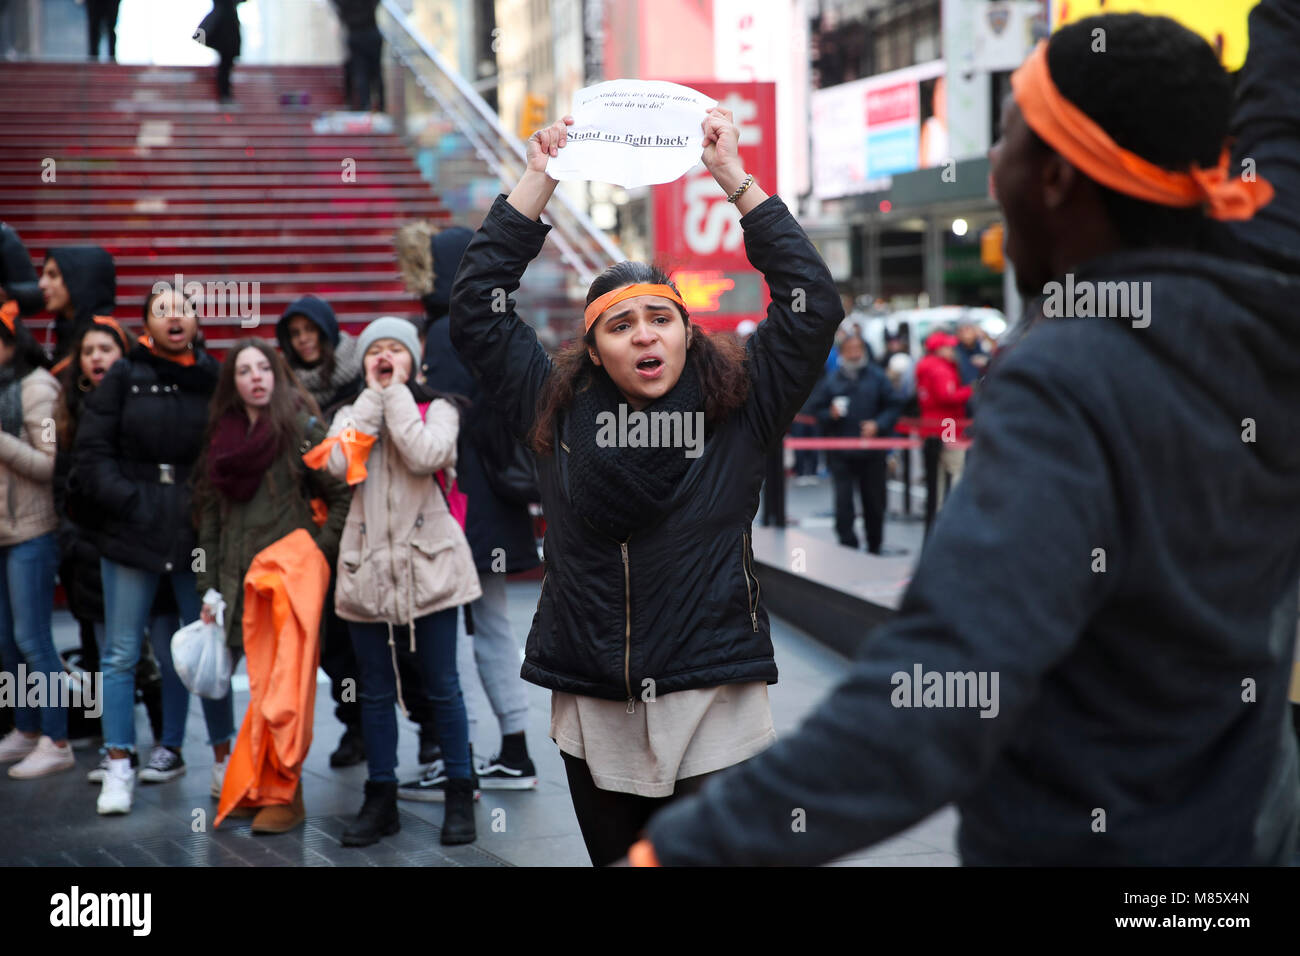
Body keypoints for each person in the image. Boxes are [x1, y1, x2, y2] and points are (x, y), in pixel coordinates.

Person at [627, 4, 1300, 867]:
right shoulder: (1270, 291)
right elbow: (1282, 109)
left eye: (1010, 135)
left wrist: (683, 854)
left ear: (1053, 178)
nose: (994, 170)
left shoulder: (1074, 380)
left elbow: (947, 684)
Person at [447, 108, 843, 866]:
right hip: (596, 699)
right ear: (592, 351)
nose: (644, 335)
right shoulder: (553, 410)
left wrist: (734, 178)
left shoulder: (742, 407)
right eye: (620, 325)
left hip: (714, 694)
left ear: (687, 333)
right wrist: (539, 179)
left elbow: (810, 304)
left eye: (660, 318)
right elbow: (477, 310)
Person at [308, 317, 482, 847]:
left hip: (430, 570)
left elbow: (425, 453)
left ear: (413, 360)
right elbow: (338, 464)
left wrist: (397, 397)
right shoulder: (348, 415)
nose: (384, 358)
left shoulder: (441, 409)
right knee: (375, 693)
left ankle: (460, 790)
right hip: (365, 575)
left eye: (395, 350)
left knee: (443, 687)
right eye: (374, 352)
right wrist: (370, 401)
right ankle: (379, 797)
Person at [394, 224, 543, 799]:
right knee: (492, 626)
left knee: (446, 630)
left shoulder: (443, 332)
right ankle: (512, 750)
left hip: (453, 502)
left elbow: (438, 423)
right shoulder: (489, 325)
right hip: (492, 502)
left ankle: (458, 758)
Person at [75, 286, 234, 815]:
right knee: (120, 653)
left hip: (196, 532)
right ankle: (118, 763)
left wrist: (207, 511)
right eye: (161, 310)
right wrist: (128, 501)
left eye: (183, 309)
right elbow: (92, 452)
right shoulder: (125, 376)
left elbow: (227, 451)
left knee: (205, 649)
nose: (174, 318)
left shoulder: (214, 378)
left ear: (196, 321)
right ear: (146, 323)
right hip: (132, 528)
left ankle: (222, 760)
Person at [274, 294, 437, 767]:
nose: (305, 341)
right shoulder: (288, 391)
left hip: (380, 519)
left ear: (329, 333)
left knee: (405, 645)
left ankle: (429, 730)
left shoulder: (365, 373)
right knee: (340, 646)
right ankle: (357, 729)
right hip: (325, 531)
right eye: (296, 334)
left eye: (312, 332)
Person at [194, 339, 350, 833]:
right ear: (233, 382)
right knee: (263, 691)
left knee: (287, 692)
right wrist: (209, 588)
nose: (256, 377)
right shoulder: (223, 437)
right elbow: (211, 519)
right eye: (245, 370)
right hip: (241, 587)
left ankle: (288, 791)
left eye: (264, 367)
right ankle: (256, 786)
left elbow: (342, 492)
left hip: (292, 583)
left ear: (277, 375)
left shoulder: (302, 428)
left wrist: (315, 553)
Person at [52, 317, 168, 774]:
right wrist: (74, 542)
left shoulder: (143, 404)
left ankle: (166, 742)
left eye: (106, 348)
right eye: (89, 351)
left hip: (138, 543)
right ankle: (117, 747)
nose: (97, 357)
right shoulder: (69, 414)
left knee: (149, 655)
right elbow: (62, 486)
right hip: (88, 552)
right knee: (107, 657)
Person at [0, 309, 70, 778]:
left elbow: (48, 464)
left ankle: (57, 738)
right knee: (7, 644)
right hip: (4, 534)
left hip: (32, 532)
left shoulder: (38, 387)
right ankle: (25, 730)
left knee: (33, 640)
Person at [809, 334, 902, 555]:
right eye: (849, 349)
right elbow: (816, 410)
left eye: (858, 348)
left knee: (874, 501)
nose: (854, 353)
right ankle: (847, 544)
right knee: (843, 502)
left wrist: (878, 425)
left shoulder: (877, 377)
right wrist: (829, 414)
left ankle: (875, 544)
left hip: (872, 451)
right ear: (842, 352)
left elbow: (893, 406)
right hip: (841, 452)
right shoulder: (832, 380)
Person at [914, 331, 971, 539]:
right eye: (948, 346)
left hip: (932, 429)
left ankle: (936, 528)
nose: (952, 350)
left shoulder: (926, 365)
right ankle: (951, 525)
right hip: (946, 430)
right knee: (956, 475)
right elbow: (947, 396)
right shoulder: (940, 368)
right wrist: (970, 391)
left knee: (935, 486)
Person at [37, 247, 116, 363]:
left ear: (80, 280)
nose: (41, 284)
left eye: (52, 275)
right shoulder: (64, 332)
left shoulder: (105, 340)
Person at [333, 0, 384, 112]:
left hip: (355, 33)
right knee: (375, 72)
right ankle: (380, 106)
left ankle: (365, 105)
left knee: (360, 72)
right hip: (370, 31)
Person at [199, 0, 243, 104]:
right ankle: (225, 94)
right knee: (225, 64)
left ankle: (225, 94)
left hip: (226, 28)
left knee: (226, 63)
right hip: (224, 28)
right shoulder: (223, 10)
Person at [954, 321, 990, 385]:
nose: (966, 334)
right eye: (962, 331)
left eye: (968, 330)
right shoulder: (955, 351)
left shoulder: (983, 347)